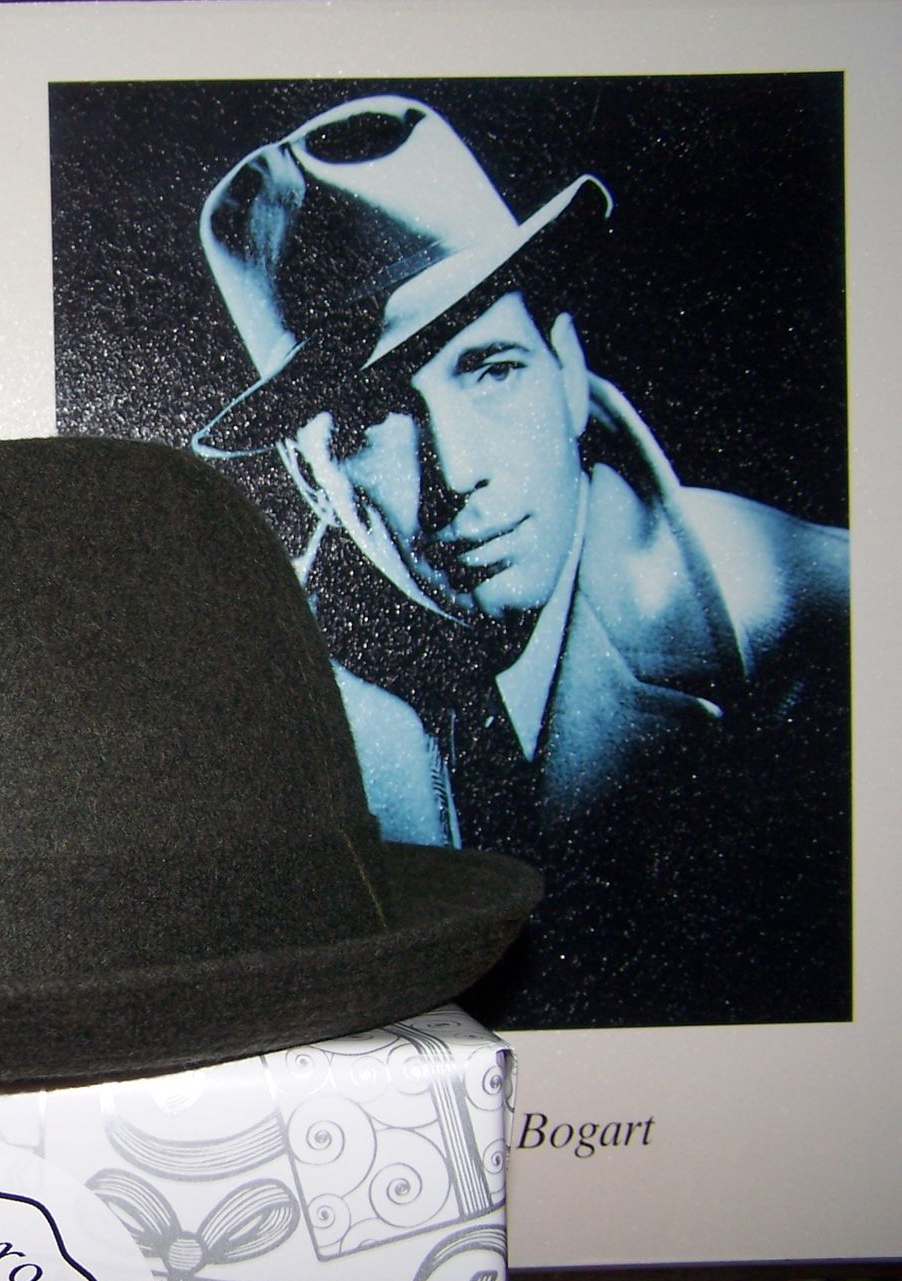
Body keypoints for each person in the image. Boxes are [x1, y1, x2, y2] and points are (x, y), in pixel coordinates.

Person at [193, 95, 849, 1027]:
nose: (458, 472)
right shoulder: (240, 736)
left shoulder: (831, 624)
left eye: (492, 369)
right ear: (310, 478)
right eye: (373, 418)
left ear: (569, 375)